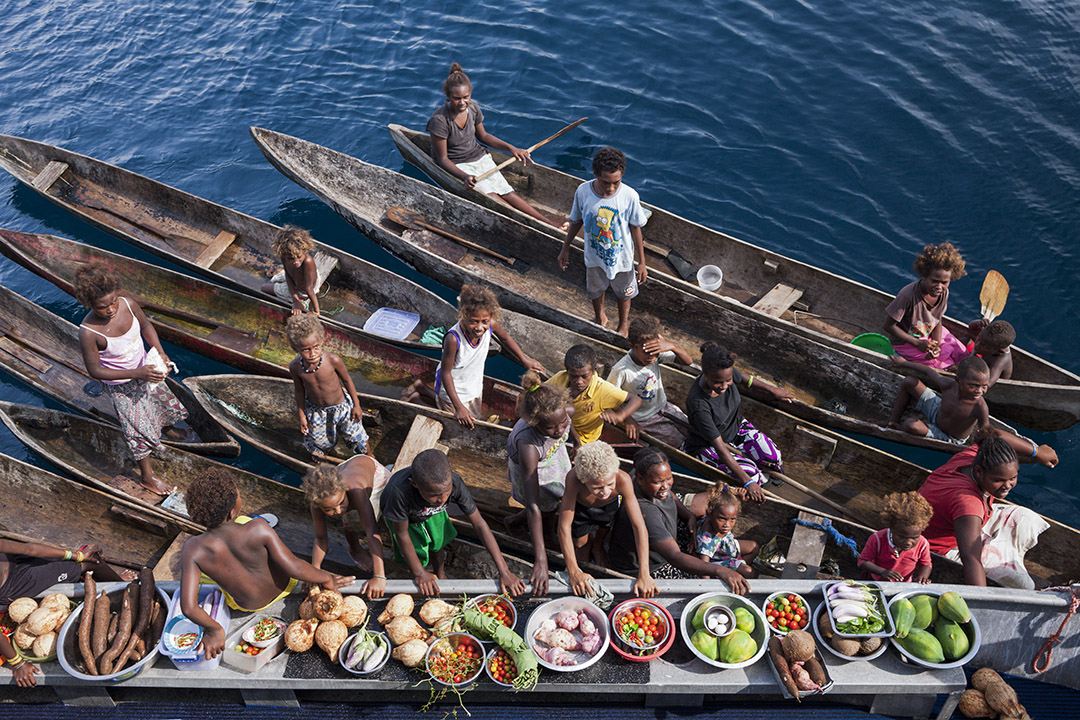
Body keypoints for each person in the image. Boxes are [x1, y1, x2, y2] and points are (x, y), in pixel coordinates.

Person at [180, 469, 354, 659]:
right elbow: (294, 567)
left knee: (205, 565)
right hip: (285, 588)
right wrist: (326, 577)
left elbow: (188, 607)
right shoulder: (258, 528)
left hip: (248, 606)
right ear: (232, 511)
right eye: (237, 493)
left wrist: (214, 630)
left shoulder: (191, 549)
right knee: (246, 523)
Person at [75, 263, 188, 497]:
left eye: (112, 301)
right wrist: (137, 374)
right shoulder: (89, 332)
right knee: (134, 429)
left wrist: (160, 351)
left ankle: (165, 428)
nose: (110, 309)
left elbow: (146, 326)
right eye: (101, 307)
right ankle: (147, 476)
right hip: (121, 385)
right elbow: (95, 370)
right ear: (89, 305)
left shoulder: (128, 303)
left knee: (157, 401)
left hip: (145, 368)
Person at [428, 62, 562, 229]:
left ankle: (547, 223)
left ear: (470, 95)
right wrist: (464, 177)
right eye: (457, 98)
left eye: (466, 97)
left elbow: (483, 136)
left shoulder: (474, 108)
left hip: (479, 156)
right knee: (491, 195)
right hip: (458, 164)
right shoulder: (439, 121)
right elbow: (442, 159)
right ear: (447, 97)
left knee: (507, 192)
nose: (462, 102)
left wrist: (511, 148)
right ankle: (529, 224)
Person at [380, 449, 527, 597]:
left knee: (438, 542)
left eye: (446, 491)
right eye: (435, 495)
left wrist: (504, 571)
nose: (443, 499)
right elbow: (402, 534)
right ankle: (420, 575)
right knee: (418, 555)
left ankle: (440, 573)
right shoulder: (399, 493)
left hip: (431, 512)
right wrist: (420, 573)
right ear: (415, 485)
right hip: (405, 521)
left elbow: (479, 524)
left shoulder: (454, 483)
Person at [918, 432, 1051, 588]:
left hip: (962, 521)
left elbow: (995, 435)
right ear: (979, 472)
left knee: (1027, 517)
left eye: (1012, 478)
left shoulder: (976, 456)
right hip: (941, 549)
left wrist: (1037, 452)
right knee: (1024, 585)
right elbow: (971, 559)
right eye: (998, 480)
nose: (1007, 486)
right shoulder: (968, 503)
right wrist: (981, 599)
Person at [608, 448, 749, 592]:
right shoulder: (646, 511)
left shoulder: (644, 477)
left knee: (711, 507)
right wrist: (719, 570)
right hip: (654, 564)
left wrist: (689, 516)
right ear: (640, 479)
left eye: (669, 478)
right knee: (700, 581)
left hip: (667, 534)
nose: (666, 486)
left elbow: (671, 494)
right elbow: (674, 556)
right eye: (658, 482)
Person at [405, 285, 544, 428]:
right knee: (455, 419)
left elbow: (505, 338)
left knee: (472, 416)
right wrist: (459, 407)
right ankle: (417, 401)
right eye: (473, 321)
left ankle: (421, 388)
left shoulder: (491, 325)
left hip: (473, 384)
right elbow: (446, 373)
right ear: (463, 315)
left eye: (484, 321)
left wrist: (524, 359)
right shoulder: (453, 339)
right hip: (453, 388)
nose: (479, 327)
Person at [0, 541, 135, 687]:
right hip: (14, 586)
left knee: (86, 558)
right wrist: (18, 663)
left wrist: (76, 555)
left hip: (14, 561)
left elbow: (29, 548)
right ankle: (113, 582)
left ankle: (108, 579)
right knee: (92, 562)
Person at [886, 355, 1058, 465]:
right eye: (973, 386)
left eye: (984, 386)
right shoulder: (948, 385)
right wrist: (904, 363)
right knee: (910, 382)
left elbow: (989, 433)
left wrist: (1034, 452)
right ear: (958, 381)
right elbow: (929, 371)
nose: (979, 391)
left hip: (950, 437)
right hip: (937, 411)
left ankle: (901, 427)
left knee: (911, 425)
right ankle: (892, 422)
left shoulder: (979, 406)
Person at [681, 343, 791, 504]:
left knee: (773, 456)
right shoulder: (699, 404)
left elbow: (745, 379)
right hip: (710, 445)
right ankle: (760, 482)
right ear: (705, 374)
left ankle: (766, 476)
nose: (724, 386)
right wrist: (748, 482)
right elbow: (720, 448)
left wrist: (772, 390)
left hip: (736, 427)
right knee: (752, 474)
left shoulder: (726, 372)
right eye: (718, 382)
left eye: (728, 380)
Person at [557, 146, 649, 337]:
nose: (611, 188)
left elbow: (635, 228)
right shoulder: (583, 191)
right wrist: (565, 248)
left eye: (616, 182)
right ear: (595, 174)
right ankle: (600, 317)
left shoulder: (629, 196)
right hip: (594, 257)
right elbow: (576, 220)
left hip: (622, 260)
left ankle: (623, 325)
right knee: (595, 290)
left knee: (624, 293)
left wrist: (642, 262)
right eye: (605, 182)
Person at [504, 371, 577, 594]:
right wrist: (541, 559)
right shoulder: (528, 444)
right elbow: (533, 503)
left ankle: (522, 523)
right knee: (544, 508)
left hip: (553, 456)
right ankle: (524, 527)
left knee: (558, 499)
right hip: (534, 468)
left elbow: (568, 424)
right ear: (536, 423)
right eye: (552, 428)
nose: (560, 430)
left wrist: (578, 443)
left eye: (563, 423)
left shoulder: (563, 413)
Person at [556, 441, 658, 599]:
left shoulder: (622, 479)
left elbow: (639, 526)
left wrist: (644, 573)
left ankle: (598, 547)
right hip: (581, 510)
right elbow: (564, 526)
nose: (604, 491)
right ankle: (584, 561)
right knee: (580, 544)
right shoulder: (573, 478)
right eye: (596, 487)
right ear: (584, 480)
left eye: (610, 484)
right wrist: (573, 571)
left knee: (603, 532)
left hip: (608, 509)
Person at [302, 459, 391, 599]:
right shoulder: (319, 500)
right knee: (349, 516)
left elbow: (371, 531)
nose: (337, 511)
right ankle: (355, 549)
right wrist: (315, 571)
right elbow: (320, 538)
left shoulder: (356, 490)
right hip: (346, 470)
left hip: (374, 476)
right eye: (329, 509)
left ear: (343, 490)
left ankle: (389, 469)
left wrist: (379, 575)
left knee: (370, 518)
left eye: (341, 503)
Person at [286, 314, 367, 458]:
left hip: (341, 407)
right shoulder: (295, 367)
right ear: (296, 348)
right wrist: (302, 415)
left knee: (356, 436)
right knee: (319, 442)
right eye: (306, 350)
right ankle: (325, 457)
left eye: (316, 346)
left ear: (321, 342)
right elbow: (299, 391)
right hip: (317, 411)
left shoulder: (332, 360)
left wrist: (357, 405)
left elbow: (347, 381)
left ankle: (369, 456)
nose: (312, 353)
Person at [607, 314, 694, 446]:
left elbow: (688, 362)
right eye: (647, 352)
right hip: (643, 418)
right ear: (632, 346)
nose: (652, 357)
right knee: (678, 442)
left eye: (655, 352)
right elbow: (608, 398)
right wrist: (628, 419)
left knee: (693, 430)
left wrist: (672, 346)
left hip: (663, 407)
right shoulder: (622, 370)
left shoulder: (655, 351)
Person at [883, 242, 969, 368]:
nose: (939, 287)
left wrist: (937, 345)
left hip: (927, 332)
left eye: (944, 282)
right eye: (934, 281)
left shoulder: (943, 293)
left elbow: (937, 319)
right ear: (924, 276)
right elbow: (888, 326)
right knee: (943, 364)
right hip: (906, 341)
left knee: (961, 352)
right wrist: (917, 343)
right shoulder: (908, 296)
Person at [546, 344, 641, 444]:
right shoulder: (560, 378)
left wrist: (622, 416)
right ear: (567, 371)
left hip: (583, 439)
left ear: (594, 370)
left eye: (584, 376)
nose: (579, 381)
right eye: (573, 376)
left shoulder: (602, 389)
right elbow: (541, 392)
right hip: (560, 429)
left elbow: (635, 399)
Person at [857, 491, 933, 583]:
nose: (908, 542)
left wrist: (923, 577)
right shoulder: (878, 539)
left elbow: (926, 564)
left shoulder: (922, 543)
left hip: (904, 584)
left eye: (914, 538)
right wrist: (883, 572)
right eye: (902, 537)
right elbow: (862, 562)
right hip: (876, 581)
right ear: (892, 529)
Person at [693, 484, 757, 580]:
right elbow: (704, 566)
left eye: (732, 519)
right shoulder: (707, 540)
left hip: (725, 547)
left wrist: (739, 499)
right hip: (717, 561)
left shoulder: (716, 516)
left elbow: (730, 509)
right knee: (749, 572)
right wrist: (708, 587)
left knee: (754, 547)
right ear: (710, 514)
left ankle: (736, 568)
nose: (727, 524)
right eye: (722, 519)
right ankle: (734, 573)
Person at [259, 225, 323, 316]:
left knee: (264, 287)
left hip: (305, 290)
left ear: (304, 250)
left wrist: (316, 311)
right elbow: (288, 276)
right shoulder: (284, 257)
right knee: (272, 280)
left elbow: (309, 289)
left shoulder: (308, 261)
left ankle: (303, 302)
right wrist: (294, 299)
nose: (296, 261)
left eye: (299, 256)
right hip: (295, 280)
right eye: (291, 258)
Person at [959, 319, 1015, 386]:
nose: (977, 345)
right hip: (978, 361)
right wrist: (979, 323)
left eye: (984, 346)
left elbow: (986, 384)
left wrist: (963, 368)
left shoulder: (1000, 360)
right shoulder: (988, 334)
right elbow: (971, 327)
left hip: (983, 374)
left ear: (999, 351)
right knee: (965, 340)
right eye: (978, 338)